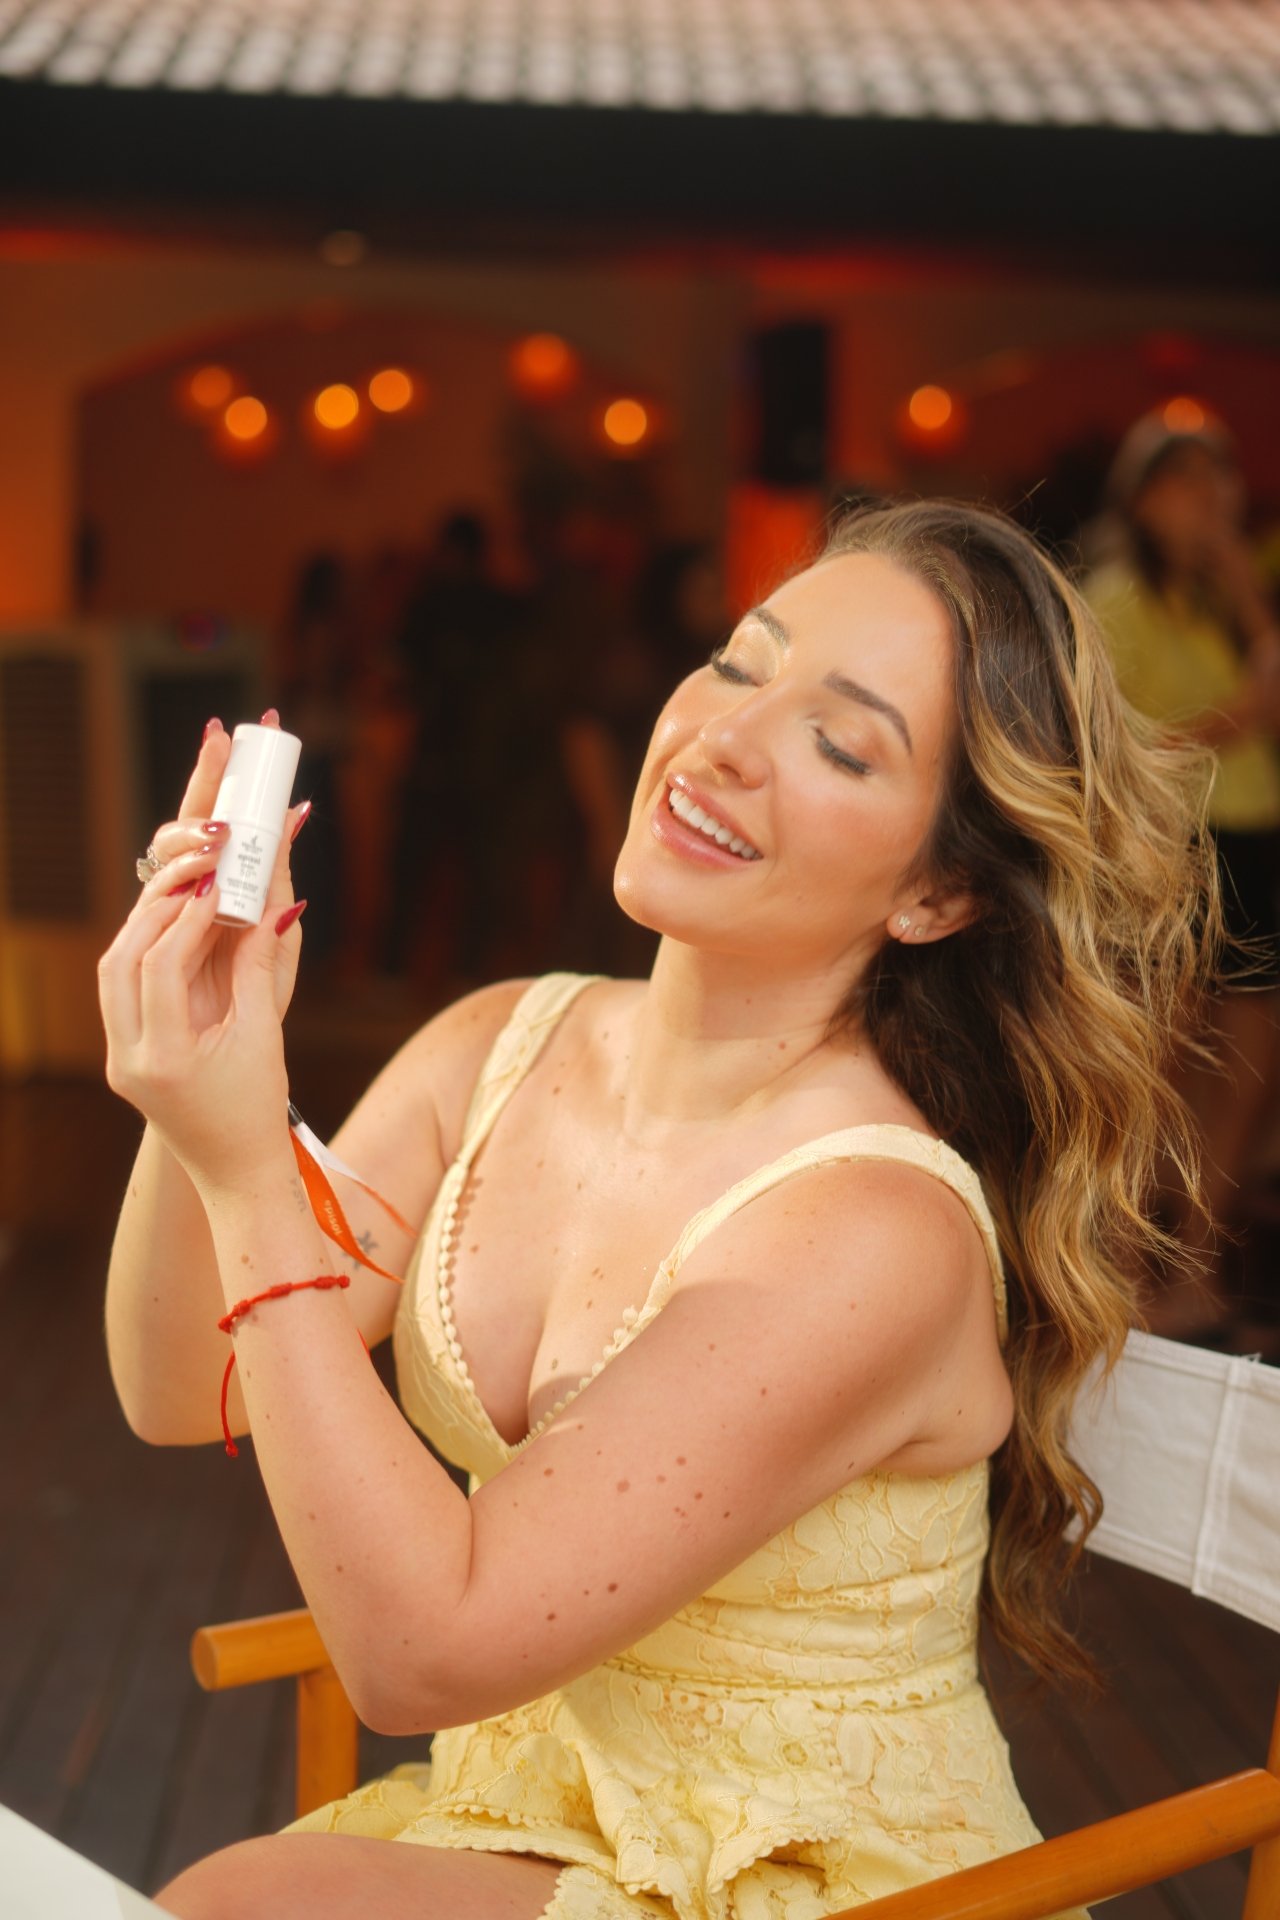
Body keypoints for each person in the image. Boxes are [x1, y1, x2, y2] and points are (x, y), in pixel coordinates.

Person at [99, 500, 1217, 1920]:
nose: (727, 740)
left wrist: (254, 1165)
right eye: (743, 664)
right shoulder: (500, 1044)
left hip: (818, 1880)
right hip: (534, 1816)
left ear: (936, 893)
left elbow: (415, 1659)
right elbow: (182, 1381)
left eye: (840, 740)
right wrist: (195, 1090)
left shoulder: (872, 1232)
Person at [1086, 414, 1280, 1344]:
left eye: (1224, 485)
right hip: (1174, 842)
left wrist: (1246, 593)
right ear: (1145, 499)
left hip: (1255, 836)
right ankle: (1117, 1266)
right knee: (1154, 1059)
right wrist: (1233, 718)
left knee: (1244, 1067)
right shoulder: (1115, 596)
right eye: (1193, 487)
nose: (1215, 505)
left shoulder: (1226, 603)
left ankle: (1199, 1268)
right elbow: (1109, 743)